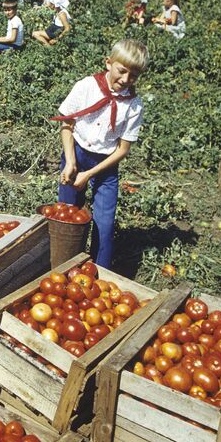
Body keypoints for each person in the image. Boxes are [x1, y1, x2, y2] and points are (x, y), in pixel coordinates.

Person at [50, 39, 149, 269]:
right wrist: (71, 162)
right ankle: (63, 262)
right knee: (67, 212)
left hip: (105, 164)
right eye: (121, 71)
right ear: (108, 63)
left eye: (133, 76)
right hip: (76, 153)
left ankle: (98, 271)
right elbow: (67, 123)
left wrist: (89, 174)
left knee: (104, 224)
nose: (125, 80)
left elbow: (122, 149)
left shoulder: (133, 105)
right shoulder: (86, 86)